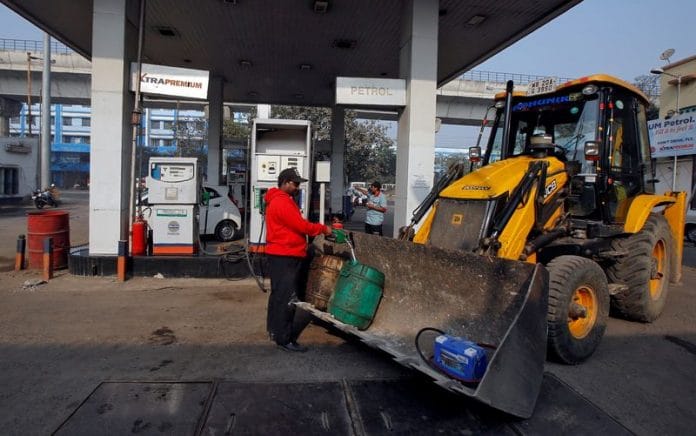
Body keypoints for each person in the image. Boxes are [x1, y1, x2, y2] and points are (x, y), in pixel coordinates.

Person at [264, 167, 332, 352]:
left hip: (279, 253)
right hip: (286, 254)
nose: (297, 187)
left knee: (278, 295)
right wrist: (323, 229)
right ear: (285, 182)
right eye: (295, 183)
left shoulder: (276, 200)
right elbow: (301, 226)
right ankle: (285, 339)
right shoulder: (282, 202)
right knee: (287, 298)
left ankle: (274, 331)